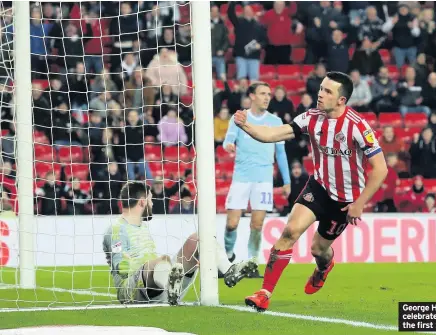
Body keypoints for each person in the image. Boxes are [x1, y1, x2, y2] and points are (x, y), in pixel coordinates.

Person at [233, 72, 388, 311]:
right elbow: (273, 134)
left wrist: (360, 203)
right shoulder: (310, 118)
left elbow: (380, 169)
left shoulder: (357, 126)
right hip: (318, 187)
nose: (320, 93)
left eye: (327, 91)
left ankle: (324, 267)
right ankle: (264, 293)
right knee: (290, 231)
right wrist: (245, 125)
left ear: (341, 100)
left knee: (318, 249)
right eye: (321, 88)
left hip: (344, 201)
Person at [103, 182, 258, 305]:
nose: (152, 203)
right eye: (150, 200)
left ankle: (228, 270)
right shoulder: (117, 229)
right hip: (132, 293)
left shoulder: (141, 225)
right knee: (161, 261)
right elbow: (119, 264)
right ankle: (170, 285)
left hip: (158, 286)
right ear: (142, 202)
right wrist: (123, 264)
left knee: (198, 238)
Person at [223, 82, 291, 278]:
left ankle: (252, 263)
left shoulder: (276, 122)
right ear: (252, 96)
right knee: (232, 224)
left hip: (263, 179)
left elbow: (281, 154)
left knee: (257, 225)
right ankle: (228, 255)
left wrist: (286, 181)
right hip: (242, 177)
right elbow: (229, 138)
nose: (267, 97)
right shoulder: (240, 117)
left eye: (269, 94)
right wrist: (228, 145)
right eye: (262, 93)